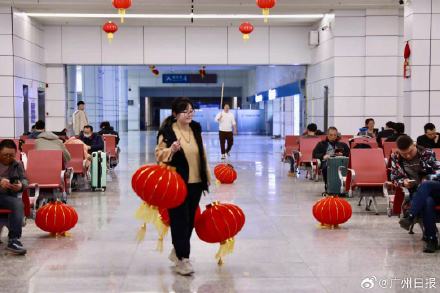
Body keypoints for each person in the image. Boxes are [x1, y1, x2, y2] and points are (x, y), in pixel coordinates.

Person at [155, 97, 211, 276]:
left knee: (190, 221)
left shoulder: (195, 128)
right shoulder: (167, 132)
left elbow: (202, 154)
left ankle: (177, 251)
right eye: (185, 111)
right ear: (175, 114)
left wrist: (207, 176)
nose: (189, 114)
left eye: (191, 110)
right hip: (177, 184)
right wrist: (171, 150)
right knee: (179, 220)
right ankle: (183, 258)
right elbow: (159, 155)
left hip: (196, 182)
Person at [389, 135, 440, 253]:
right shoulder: (395, 157)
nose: (407, 155)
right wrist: (403, 182)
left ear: (414, 145)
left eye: (410, 152)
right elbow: (394, 178)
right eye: (404, 153)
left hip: (436, 188)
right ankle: (432, 239)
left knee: (426, 184)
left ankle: (410, 216)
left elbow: (437, 171)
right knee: (427, 202)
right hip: (419, 195)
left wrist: (427, 178)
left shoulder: (427, 153)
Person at [0, 139, 28, 255]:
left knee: (17, 203)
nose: (8, 157)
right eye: (5, 155)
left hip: (7, 197)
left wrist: (21, 186)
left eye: (11, 155)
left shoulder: (18, 165)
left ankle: (14, 240)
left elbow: (25, 180)